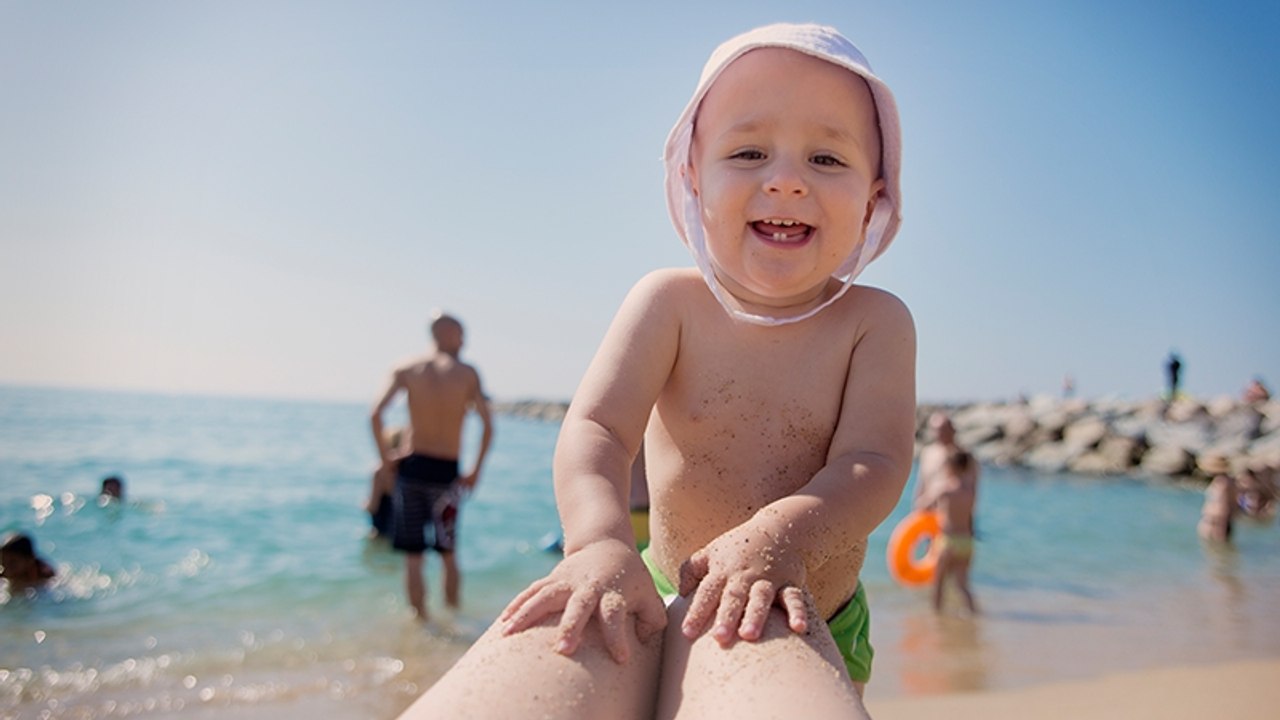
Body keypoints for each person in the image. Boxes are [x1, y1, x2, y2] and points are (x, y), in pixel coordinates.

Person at [403, 23, 914, 720]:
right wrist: (598, 540)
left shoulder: (874, 322)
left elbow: (872, 463)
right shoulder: (670, 303)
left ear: (873, 198)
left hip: (810, 604)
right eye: (749, 152)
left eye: (826, 158)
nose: (786, 179)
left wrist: (780, 537)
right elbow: (598, 429)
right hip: (660, 578)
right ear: (692, 177)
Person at [371, 312, 494, 621]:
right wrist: (475, 471)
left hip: (412, 469)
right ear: (447, 334)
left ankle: (420, 623)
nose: (464, 341)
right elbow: (488, 426)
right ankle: (454, 619)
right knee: (448, 553)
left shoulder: (407, 368)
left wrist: (386, 462)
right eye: (461, 334)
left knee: (413, 557)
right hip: (447, 474)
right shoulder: (467, 373)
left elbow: (375, 414)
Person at [924, 450, 979, 615]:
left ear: (951, 468)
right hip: (967, 542)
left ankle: (936, 618)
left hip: (948, 541)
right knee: (962, 585)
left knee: (939, 583)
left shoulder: (945, 489)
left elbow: (924, 506)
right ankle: (974, 615)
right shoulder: (971, 491)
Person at [913, 412, 975, 512]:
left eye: (944, 430)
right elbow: (922, 482)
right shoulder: (928, 453)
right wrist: (917, 507)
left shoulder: (962, 456)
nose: (940, 434)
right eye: (937, 430)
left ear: (952, 430)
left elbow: (968, 487)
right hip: (928, 510)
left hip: (949, 511)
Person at [367, 427, 406, 540]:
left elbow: (373, 507)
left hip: (381, 529)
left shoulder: (380, 472)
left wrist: (365, 505)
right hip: (403, 531)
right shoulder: (407, 473)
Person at [1197, 453, 1237, 542]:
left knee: (1212, 539)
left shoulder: (1221, 483)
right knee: (1216, 541)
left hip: (1216, 516)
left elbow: (1222, 501)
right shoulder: (1229, 481)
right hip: (1219, 516)